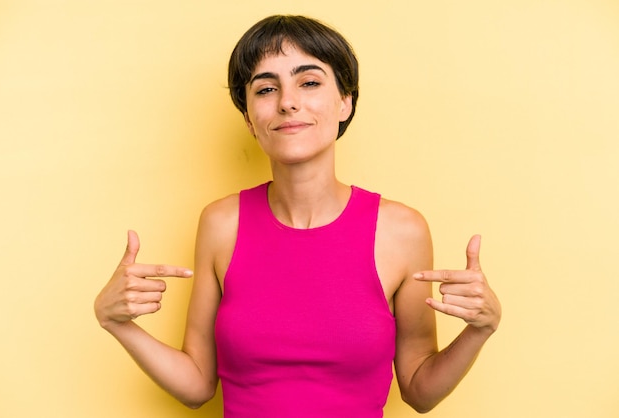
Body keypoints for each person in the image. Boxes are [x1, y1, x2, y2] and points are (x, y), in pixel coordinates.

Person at [94, 14, 501, 418]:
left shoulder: (402, 231)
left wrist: (480, 328)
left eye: (309, 82)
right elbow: (198, 384)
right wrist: (117, 323)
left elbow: (419, 391)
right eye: (267, 88)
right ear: (250, 120)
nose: (288, 101)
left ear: (346, 102)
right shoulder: (221, 223)